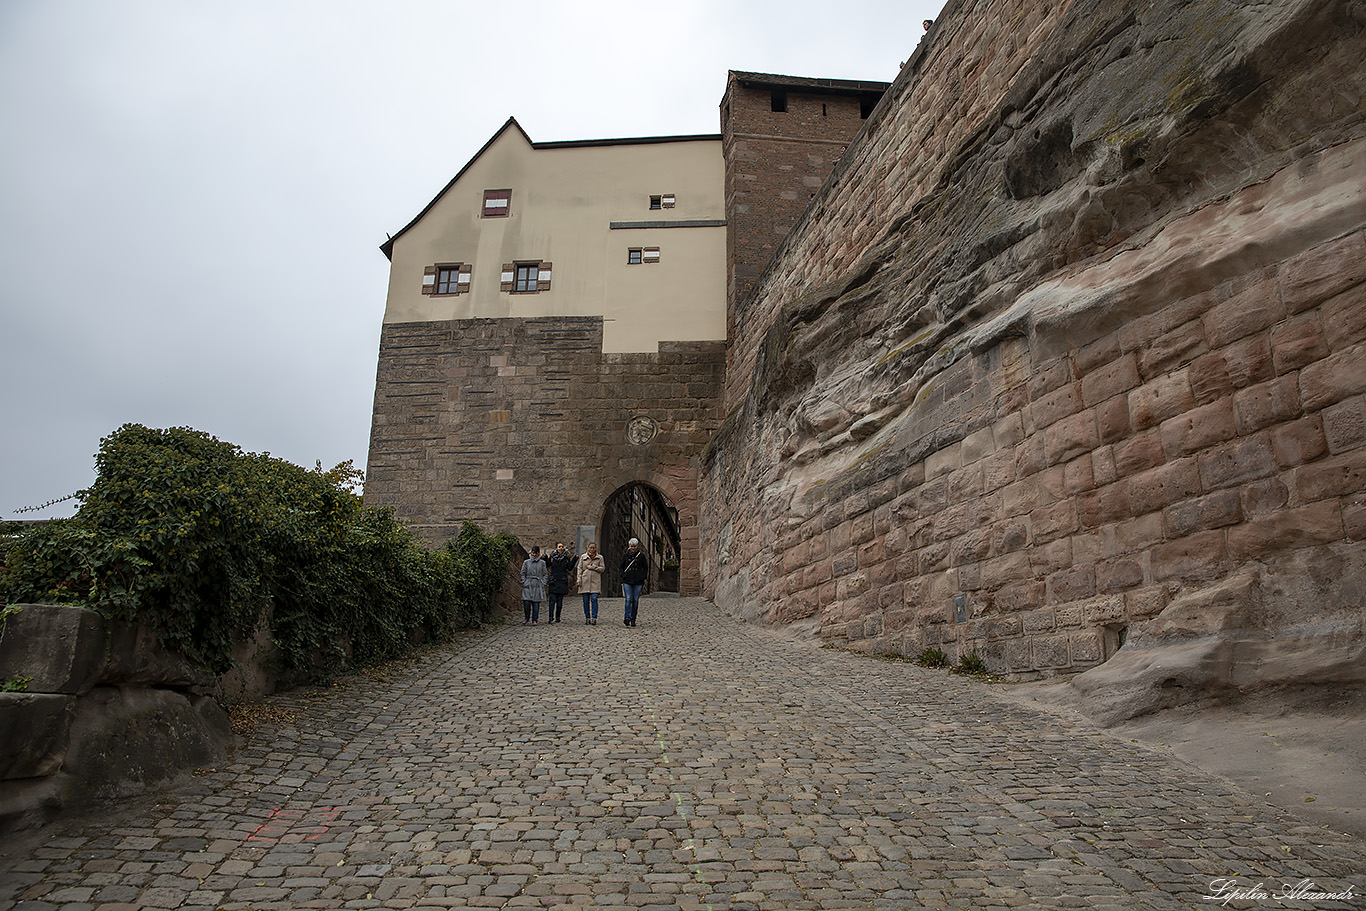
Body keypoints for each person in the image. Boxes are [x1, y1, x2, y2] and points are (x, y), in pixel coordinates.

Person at [620, 537, 648, 627]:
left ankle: (633, 618)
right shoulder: (625, 556)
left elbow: (645, 567)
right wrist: (622, 575)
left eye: (634, 546)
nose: (633, 548)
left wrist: (643, 577)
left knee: (635, 600)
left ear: (637, 546)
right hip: (627, 580)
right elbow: (621, 567)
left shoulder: (641, 556)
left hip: (637, 581)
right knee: (628, 599)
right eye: (632, 546)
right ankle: (627, 617)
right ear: (629, 546)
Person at [546, 542, 575, 624]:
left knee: (559, 602)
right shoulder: (552, 557)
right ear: (556, 548)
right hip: (554, 580)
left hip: (562, 581)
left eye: (562, 547)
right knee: (552, 601)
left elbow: (569, 567)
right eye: (559, 547)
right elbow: (547, 564)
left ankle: (558, 616)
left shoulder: (566, 558)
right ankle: (550, 617)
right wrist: (544, 558)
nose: (561, 548)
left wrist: (574, 560)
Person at [577, 542, 605, 624]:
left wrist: (593, 567)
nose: (591, 549)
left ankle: (594, 617)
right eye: (590, 547)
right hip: (585, 581)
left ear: (596, 549)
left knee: (594, 599)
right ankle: (587, 617)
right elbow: (580, 568)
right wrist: (579, 579)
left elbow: (602, 569)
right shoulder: (583, 557)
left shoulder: (599, 557)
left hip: (595, 582)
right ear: (587, 548)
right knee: (585, 601)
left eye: (593, 548)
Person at [521, 546, 547, 625]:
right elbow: (523, 573)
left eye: (536, 553)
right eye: (533, 553)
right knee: (527, 603)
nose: (534, 555)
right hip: (528, 584)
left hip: (537, 584)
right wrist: (524, 582)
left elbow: (545, 574)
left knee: (536, 604)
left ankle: (535, 619)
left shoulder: (542, 563)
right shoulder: (526, 562)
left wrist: (542, 582)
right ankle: (526, 617)